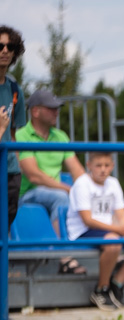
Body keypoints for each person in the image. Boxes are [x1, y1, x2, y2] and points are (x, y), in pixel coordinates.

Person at [67, 151, 124, 310]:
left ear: (112, 166)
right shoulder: (81, 184)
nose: (103, 169)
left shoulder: (113, 183)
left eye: (107, 165)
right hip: (84, 231)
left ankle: (117, 283)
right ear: (89, 166)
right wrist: (119, 229)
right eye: (98, 165)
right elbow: (87, 220)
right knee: (113, 242)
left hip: (111, 229)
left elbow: (122, 214)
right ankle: (101, 289)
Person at [17, 88, 86, 275]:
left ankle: (117, 250)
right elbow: (33, 176)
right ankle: (64, 258)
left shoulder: (60, 136)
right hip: (28, 194)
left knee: (95, 194)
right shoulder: (21, 135)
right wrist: (67, 188)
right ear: (35, 111)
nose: (56, 112)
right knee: (62, 197)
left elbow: (77, 170)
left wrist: (88, 189)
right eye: (51, 108)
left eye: (57, 108)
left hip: (53, 191)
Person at [0, 26, 26, 230]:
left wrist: (17, 161)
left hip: (10, 168)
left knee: (5, 226)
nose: (5, 50)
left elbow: (16, 132)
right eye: (0, 46)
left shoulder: (14, 88)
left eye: (10, 46)